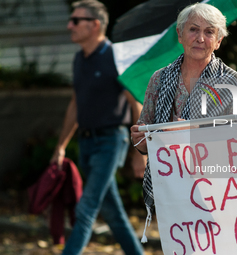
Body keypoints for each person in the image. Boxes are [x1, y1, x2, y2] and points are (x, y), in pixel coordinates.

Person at [130, 3, 237, 220]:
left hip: (217, 193)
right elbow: (145, 139)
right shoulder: (159, 79)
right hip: (170, 189)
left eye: (209, 32)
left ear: (219, 41)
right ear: (180, 34)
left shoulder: (232, 83)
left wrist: (193, 134)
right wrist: (139, 139)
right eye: (193, 29)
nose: (200, 38)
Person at [50, 0, 145, 254]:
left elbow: (135, 104)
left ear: (94, 25)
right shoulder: (80, 59)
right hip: (87, 142)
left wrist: (139, 152)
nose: (70, 25)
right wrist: (61, 146)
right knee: (112, 213)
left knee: (86, 207)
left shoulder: (116, 56)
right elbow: (75, 105)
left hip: (112, 141)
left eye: (75, 21)